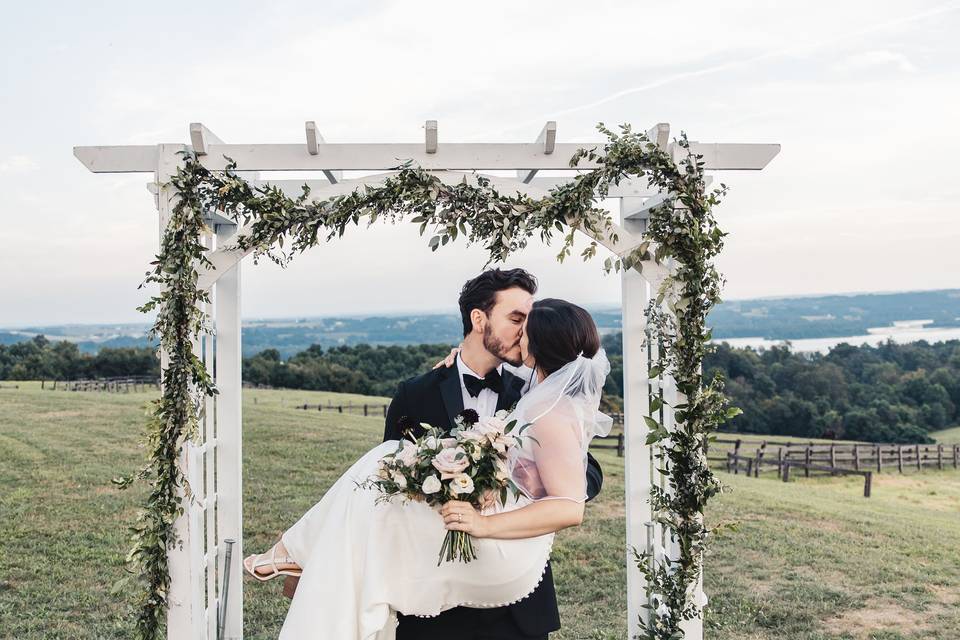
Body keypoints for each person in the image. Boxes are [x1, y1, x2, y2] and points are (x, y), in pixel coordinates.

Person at [243, 269, 610, 640]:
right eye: (516, 318)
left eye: (528, 322)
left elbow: (584, 472)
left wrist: (512, 485)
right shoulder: (416, 394)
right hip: (430, 599)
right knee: (387, 459)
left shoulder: (537, 394)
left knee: (385, 455)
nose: (524, 331)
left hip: (513, 605)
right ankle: (308, 561)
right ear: (478, 319)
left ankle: (297, 553)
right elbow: (384, 497)